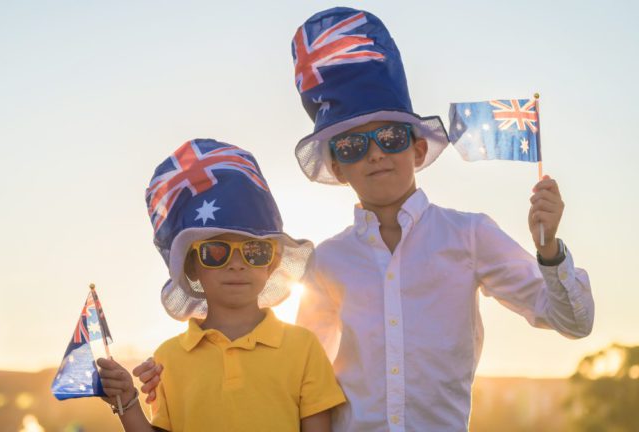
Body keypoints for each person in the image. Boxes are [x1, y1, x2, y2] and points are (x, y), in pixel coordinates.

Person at [136, 7, 595, 431]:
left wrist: (550, 249)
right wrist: (176, 373)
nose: (375, 154)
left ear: (417, 149)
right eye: (354, 146)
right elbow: (295, 371)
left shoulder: (470, 235)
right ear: (338, 167)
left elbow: (574, 321)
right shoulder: (330, 261)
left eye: (391, 137)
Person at [97, 138, 345, 431]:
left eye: (255, 251)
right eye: (216, 252)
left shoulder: (303, 348)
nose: (237, 264)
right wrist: (127, 400)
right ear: (192, 267)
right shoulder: (168, 358)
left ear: (272, 263)